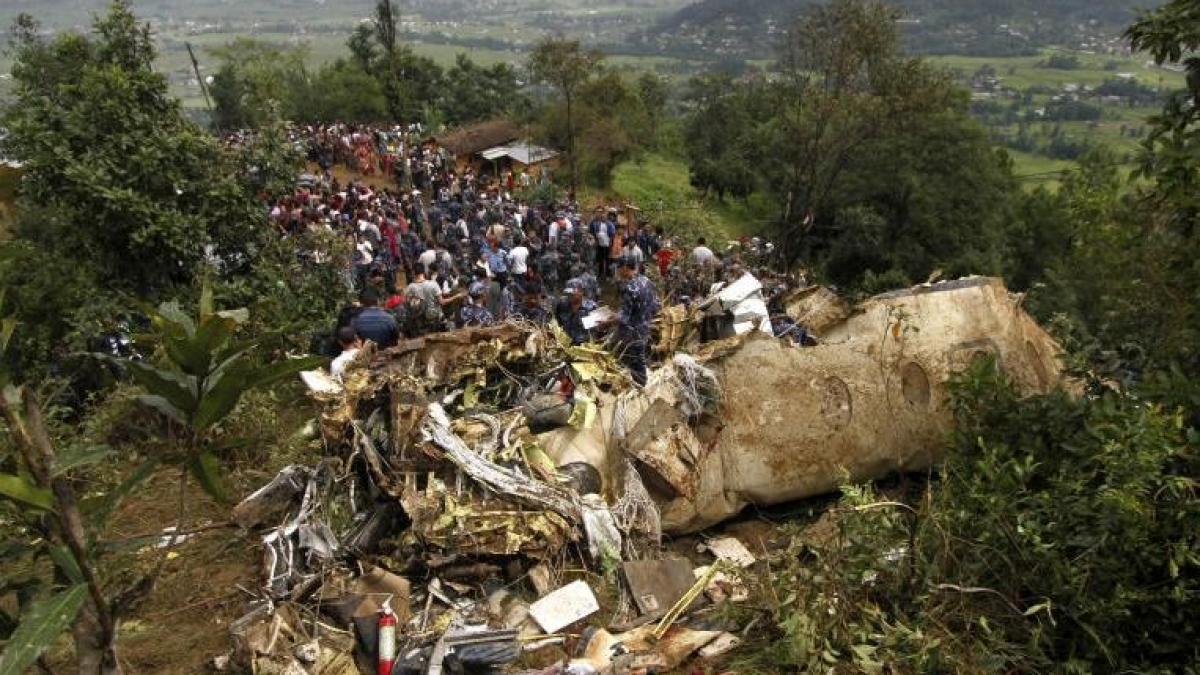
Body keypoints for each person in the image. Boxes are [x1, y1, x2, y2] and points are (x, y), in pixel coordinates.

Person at [611, 256, 660, 386]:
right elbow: (656, 306)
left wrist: (606, 321)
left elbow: (623, 318)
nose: (617, 272)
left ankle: (640, 389)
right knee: (639, 359)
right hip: (644, 329)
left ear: (626, 268)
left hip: (631, 334)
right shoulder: (647, 281)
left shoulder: (630, 288)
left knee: (634, 364)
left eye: (619, 269)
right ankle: (640, 385)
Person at [555, 280, 596, 345]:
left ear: (581, 292)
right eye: (568, 293)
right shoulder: (562, 305)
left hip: (584, 347)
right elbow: (558, 323)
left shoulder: (591, 307)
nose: (570, 295)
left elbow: (594, 331)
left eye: (572, 293)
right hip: (564, 344)